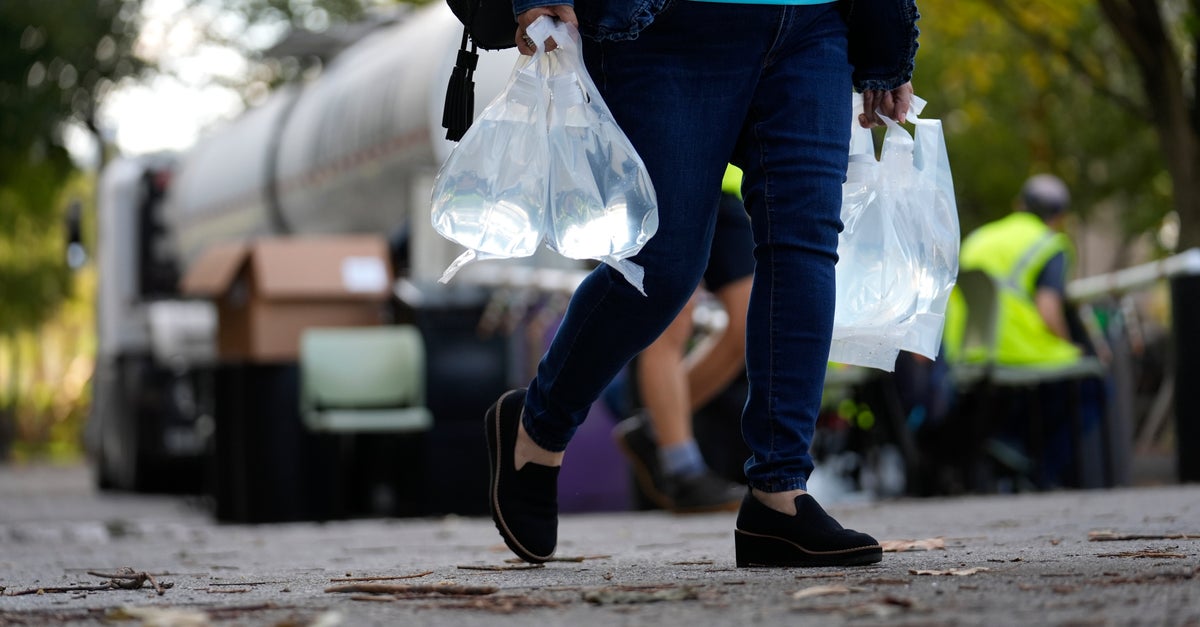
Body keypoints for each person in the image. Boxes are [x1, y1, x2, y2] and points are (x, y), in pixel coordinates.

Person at [486, 0, 920, 567]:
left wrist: (886, 43)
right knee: (662, 267)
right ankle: (538, 424)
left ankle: (779, 492)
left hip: (813, 25)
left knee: (805, 245)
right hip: (670, 24)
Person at [943, 174, 1106, 487]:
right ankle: (1040, 472)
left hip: (967, 350)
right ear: (1059, 217)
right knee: (1092, 385)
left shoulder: (980, 237)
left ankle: (1009, 444)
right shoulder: (1050, 244)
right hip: (1019, 350)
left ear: (1019, 205)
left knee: (1030, 396)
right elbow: (1048, 309)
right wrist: (1072, 343)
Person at [612, 165, 753, 514]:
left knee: (752, 319)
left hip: (717, 179)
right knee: (670, 315)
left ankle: (652, 429)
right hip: (652, 173)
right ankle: (682, 470)